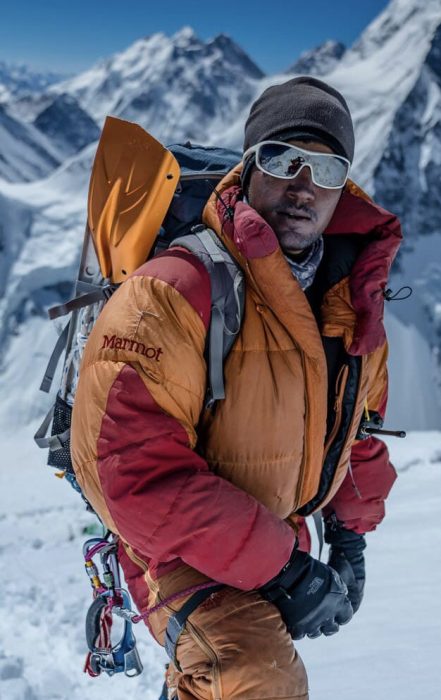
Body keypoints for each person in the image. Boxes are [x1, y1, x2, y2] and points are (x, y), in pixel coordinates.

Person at [71, 76, 401, 699]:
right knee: (255, 676)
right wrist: (285, 571)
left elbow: (356, 433)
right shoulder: (173, 293)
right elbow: (133, 472)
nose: (304, 186)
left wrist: (351, 538)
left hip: (271, 541)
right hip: (166, 549)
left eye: (327, 169)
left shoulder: (350, 305)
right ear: (249, 168)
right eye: (283, 159)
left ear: (345, 187)